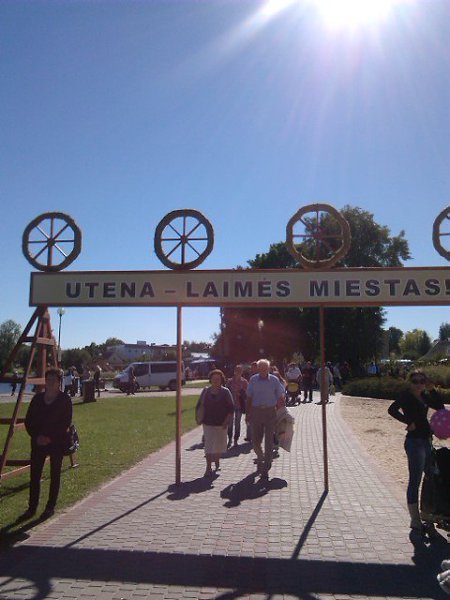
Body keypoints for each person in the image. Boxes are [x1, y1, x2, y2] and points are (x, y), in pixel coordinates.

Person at [388, 370, 445, 532]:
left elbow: (440, 407)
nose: (419, 384)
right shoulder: (406, 396)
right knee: (415, 480)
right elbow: (392, 410)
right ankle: (415, 519)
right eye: (415, 381)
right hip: (414, 442)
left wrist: (432, 390)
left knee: (431, 476)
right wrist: (408, 421)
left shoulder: (424, 396)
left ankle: (427, 513)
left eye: (422, 381)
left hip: (427, 440)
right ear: (410, 382)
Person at [21, 367, 72, 520]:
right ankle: (32, 508)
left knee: (55, 475)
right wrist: (37, 436)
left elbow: (65, 422)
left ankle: (50, 507)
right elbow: (29, 420)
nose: (50, 383)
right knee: (35, 475)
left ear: (59, 382)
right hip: (38, 442)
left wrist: (50, 437)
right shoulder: (37, 399)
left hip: (56, 443)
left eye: (53, 380)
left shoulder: (64, 400)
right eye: (48, 379)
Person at [246, 358, 285, 480]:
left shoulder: (274, 380)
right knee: (255, 441)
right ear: (257, 369)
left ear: (269, 369)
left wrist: (282, 411)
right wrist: (248, 413)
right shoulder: (253, 380)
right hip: (256, 412)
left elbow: (280, 396)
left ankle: (266, 467)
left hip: (270, 412)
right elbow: (249, 397)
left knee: (269, 441)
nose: (263, 371)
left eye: (265, 368)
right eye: (261, 369)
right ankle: (260, 456)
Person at [196, 369, 234, 477]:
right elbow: (199, 405)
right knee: (208, 444)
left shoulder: (225, 392)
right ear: (210, 379)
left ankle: (217, 460)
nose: (216, 381)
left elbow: (231, 408)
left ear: (221, 380)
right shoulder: (206, 391)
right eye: (214, 379)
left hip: (221, 423)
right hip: (208, 422)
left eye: (218, 379)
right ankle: (208, 467)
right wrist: (199, 418)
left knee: (219, 445)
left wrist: (226, 421)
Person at [226, 364, 248, 447]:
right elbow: (226, 392)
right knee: (230, 423)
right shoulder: (230, 381)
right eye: (237, 370)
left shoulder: (244, 382)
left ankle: (236, 439)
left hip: (239, 405)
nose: (238, 372)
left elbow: (247, 395)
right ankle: (230, 439)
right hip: (230, 405)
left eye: (240, 371)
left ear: (242, 372)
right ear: (234, 371)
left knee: (237, 423)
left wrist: (241, 394)